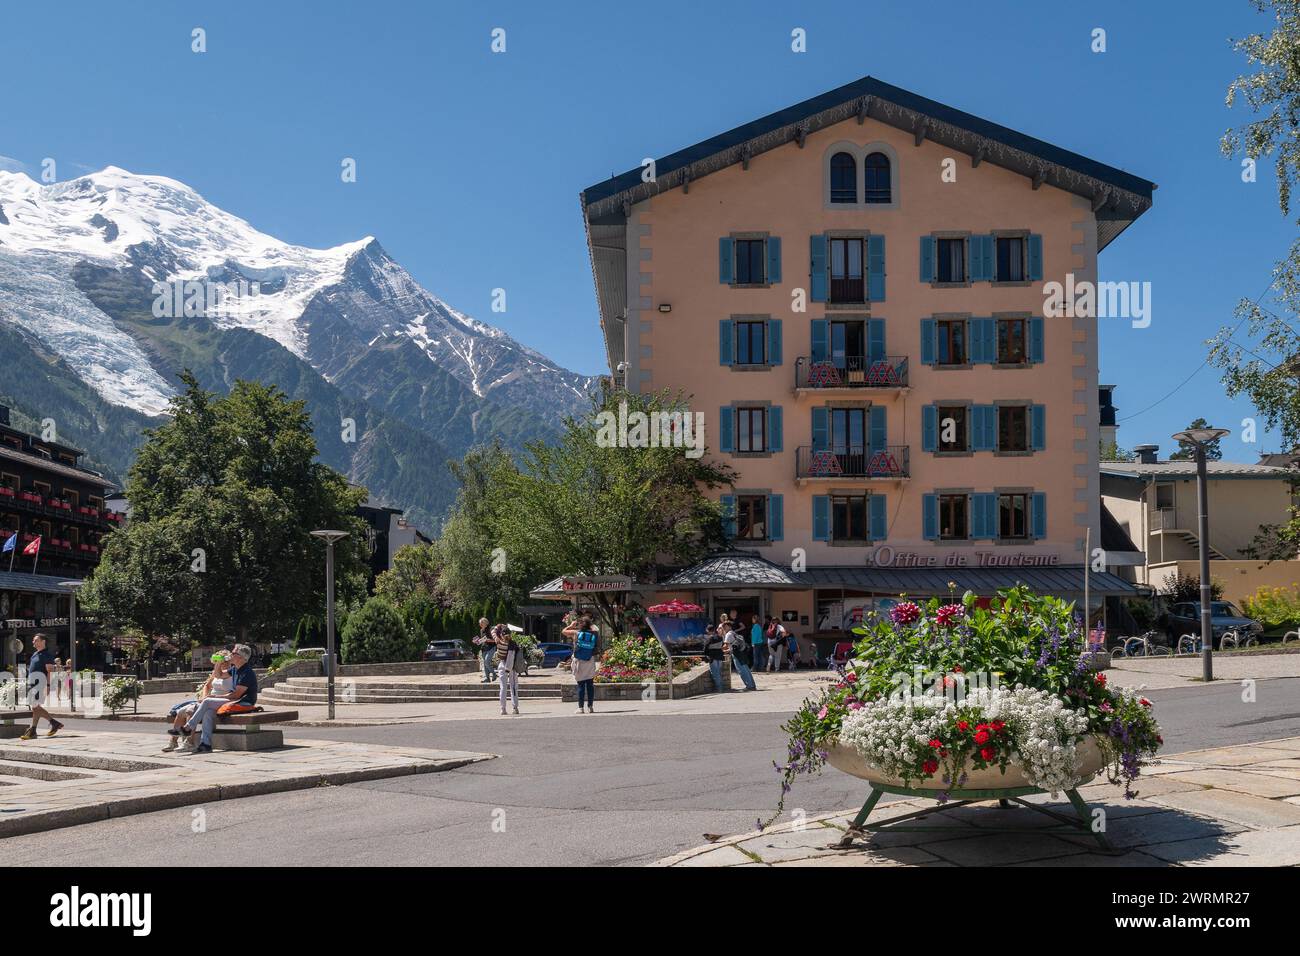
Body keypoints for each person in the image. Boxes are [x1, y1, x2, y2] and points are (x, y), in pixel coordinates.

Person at [178, 644, 259, 754]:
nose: (231, 654)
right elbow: (218, 675)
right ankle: (205, 744)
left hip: (243, 702)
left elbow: (236, 695)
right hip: (234, 700)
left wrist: (215, 697)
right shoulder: (235, 669)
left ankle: (188, 727)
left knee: (207, 701)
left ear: (240, 657)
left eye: (233, 653)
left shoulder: (247, 672)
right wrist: (218, 663)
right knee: (208, 712)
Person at [164, 653, 231, 752]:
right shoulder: (216, 672)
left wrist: (211, 698)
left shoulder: (231, 672)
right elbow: (207, 686)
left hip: (219, 701)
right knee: (180, 711)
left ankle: (189, 742)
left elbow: (234, 691)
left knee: (190, 711)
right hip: (207, 700)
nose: (220, 663)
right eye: (217, 661)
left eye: (222, 661)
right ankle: (173, 741)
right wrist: (203, 697)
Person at [18, 634, 64, 740]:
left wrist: (47, 686)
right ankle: (49, 725)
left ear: (43, 641)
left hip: (40, 683)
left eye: (36, 640)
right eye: (33, 640)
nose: (33, 642)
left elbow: (50, 672)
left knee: (35, 706)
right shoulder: (35, 654)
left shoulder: (46, 655)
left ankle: (35, 729)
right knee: (35, 707)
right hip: (32, 683)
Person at [562, 615, 600, 714]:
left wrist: (571, 625)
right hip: (590, 660)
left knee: (581, 685)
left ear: (580, 625)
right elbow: (596, 630)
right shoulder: (595, 633)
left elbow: (563, 631)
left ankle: (580, 708)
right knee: (590, 684)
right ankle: (590, 707)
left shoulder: (576, 633)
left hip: (579, 661)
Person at [493, 624, 520, 715]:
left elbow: (493, 631)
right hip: (511, 667)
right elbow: (514, 656)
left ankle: (503, 709)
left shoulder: (499, 642)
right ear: (510, 635)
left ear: (501, 635)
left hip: (502, 664)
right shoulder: (513, 644)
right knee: (513, 687)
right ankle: (515, 707)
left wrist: (498, 626)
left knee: (503, 687)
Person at [723, 620, 756, 691]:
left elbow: (725, 646)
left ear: (729, 627)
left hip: (737, 654)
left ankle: (749, 686)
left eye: (725, 627)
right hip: (742, 653)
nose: (724, 628)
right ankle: (752, 685)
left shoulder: (728, 634)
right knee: (746, 669)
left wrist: (721, 650)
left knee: (741, 671)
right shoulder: (734, 633)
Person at [703, 623, 726, 693]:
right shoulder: (720, 637)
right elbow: (722, 646)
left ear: (708, 630)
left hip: (713, 657)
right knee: (719, 672)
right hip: (720, 657)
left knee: (715, 673)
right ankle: (721, 687)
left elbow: (705, 649)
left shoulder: (709, 638)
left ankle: (719, 688)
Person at [473, 617, 495, 683]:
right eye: (480, 624)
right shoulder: (481, 630)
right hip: (484, 648)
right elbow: (483, 640)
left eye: (481, 623)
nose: (480, 625)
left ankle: (494, 674)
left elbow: (495, 640)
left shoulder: (491, 629)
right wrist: (477, 641)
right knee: (485, 664)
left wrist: (488, 640)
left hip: (491, 647)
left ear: (485, 623)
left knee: (487, 661)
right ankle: (487, 678)